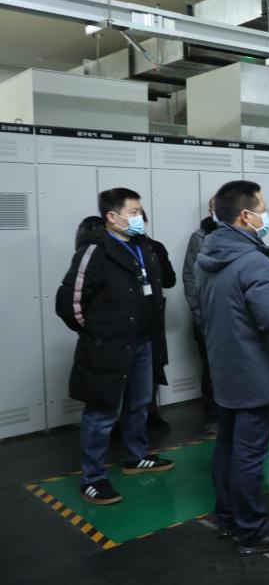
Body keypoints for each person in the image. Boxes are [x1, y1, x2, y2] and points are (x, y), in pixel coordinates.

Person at [195, 180, 269, 556]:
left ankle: (227, 517)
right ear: (245, 215)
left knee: (227, 447)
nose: (266, 215)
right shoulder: (252, 261)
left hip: (226, 368)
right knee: (249, 454)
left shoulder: (209, 256)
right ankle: (252, 530)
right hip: (255, 372)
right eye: (263, 209)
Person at [56, 188, 176, 506]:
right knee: (102, 412)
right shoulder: (95, 251)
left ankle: (135, 456)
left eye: (139, 212)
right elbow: (69, 302)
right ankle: (92, 478)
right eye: (133, 212)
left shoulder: (144, 247)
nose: (139, 217)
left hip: (143, 343)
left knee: (139, 404)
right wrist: (98, 333)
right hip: (108, 347)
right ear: (112, 216)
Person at [183, 197, 220, 435]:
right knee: (211, 369)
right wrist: (198, 311)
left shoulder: (245, 234)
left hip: (234, 316)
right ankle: (214, 417)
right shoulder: (199, 237)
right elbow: (189, 277)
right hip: (207, 316)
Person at [140, 208, 177, 433]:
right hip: (126, 317)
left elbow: (170, 280)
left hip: (153, 313)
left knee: (154, 362)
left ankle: (151, 412)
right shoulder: (113, 250)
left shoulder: (155, 247)